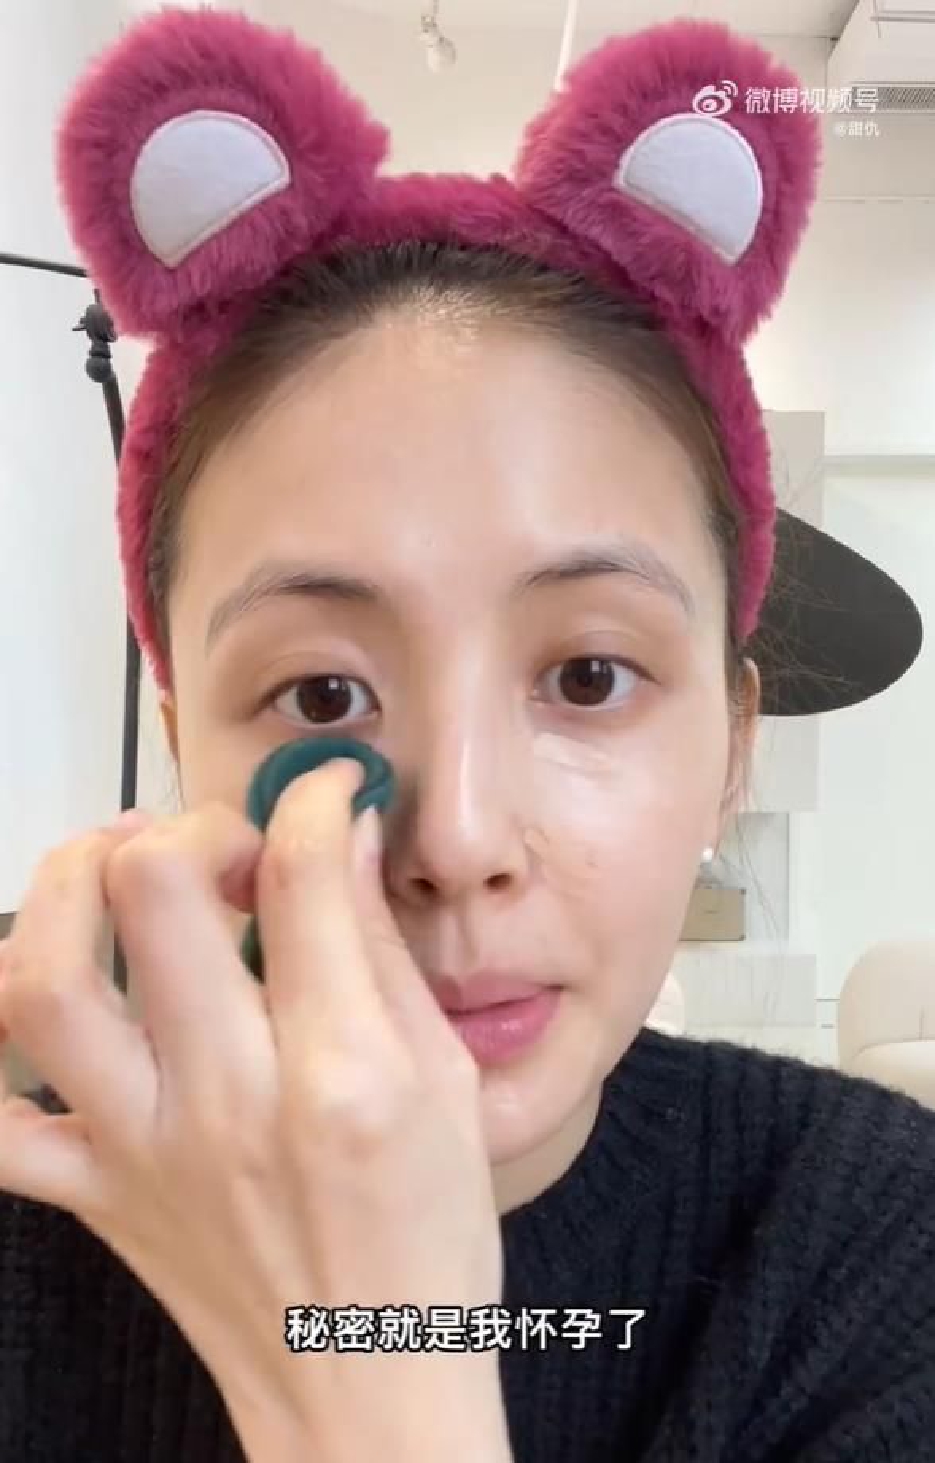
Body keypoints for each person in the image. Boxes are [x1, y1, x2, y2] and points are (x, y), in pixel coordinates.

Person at [0, 8, 932, 1463]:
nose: (457, 840)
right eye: (323, 697)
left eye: (588, 676)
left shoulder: (878, 1244)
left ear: (732, 747)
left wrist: (369, 1374)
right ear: (186, 752)